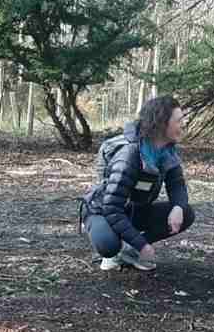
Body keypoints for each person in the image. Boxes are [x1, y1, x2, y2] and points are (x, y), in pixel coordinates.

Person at [82, 96, 195, 272]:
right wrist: (142, 244)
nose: (183, 124)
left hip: (133, 208)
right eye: (179, 120)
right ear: (162, 123)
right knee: (108, 245)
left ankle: (129, 251)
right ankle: (111, 242)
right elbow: (111, 207)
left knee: (186, 213)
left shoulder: (167, 151)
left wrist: (178, 207)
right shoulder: (130, 155)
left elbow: (177, 184)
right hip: (102, 210)